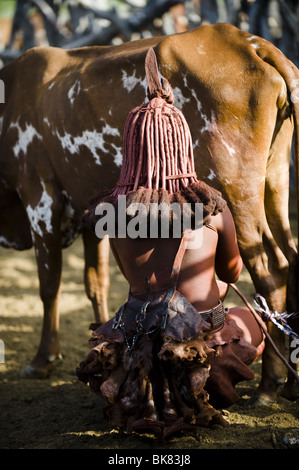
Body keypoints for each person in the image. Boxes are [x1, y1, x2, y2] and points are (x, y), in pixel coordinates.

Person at [77, 48, 265, 440]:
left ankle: (146, 400)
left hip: (138, 369)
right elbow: (231, 273)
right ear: (182, 146)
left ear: (132, 148)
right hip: (201, 366)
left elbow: (131, 276)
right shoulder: (212, 210)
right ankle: (202, 394)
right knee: (254, 321)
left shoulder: (113, 214)